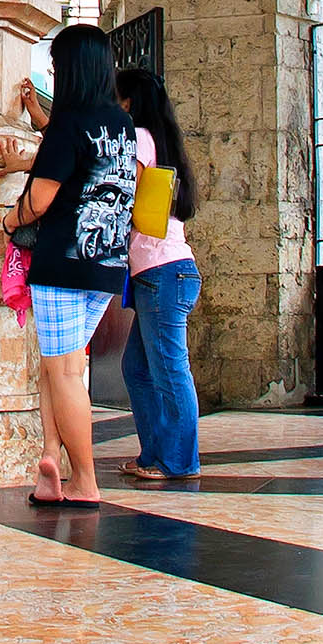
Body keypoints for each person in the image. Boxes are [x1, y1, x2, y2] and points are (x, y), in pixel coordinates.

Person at [0, 24, 135, 507]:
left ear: (70, 69)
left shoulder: (69, 124)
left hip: (64, 265)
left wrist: (10, 220)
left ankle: (85, 481)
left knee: (64, 372)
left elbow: (39, 200)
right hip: (106, 264)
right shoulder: (119, 125)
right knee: (58, 366)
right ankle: (50, 460)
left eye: (57, 65)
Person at [116, 67, 202, 486]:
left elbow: (118, 186)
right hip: (168, 272)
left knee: (169, 370)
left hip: (161, 272)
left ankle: (179, 461)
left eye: (117, 98)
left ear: (129, 102)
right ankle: (155, 452)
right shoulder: (165, 142)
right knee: (138, 367)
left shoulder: (140, 139)